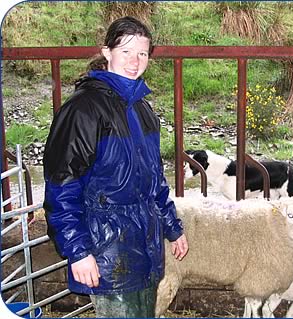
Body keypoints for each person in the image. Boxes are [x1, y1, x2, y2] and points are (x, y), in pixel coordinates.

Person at [43, 16, 188, 318]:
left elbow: (154, 179)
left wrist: (172, 227)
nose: (135, 62)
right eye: (126, 52)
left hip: (144, 244)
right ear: (107, 52)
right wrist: (78, 251)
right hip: (106, 246)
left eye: (142, 54)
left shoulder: (142, 109)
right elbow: (62, 185)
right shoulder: (84, 109)